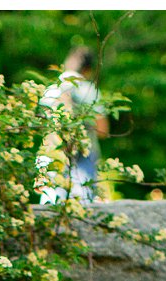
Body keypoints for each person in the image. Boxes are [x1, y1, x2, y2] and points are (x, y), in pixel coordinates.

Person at [38, 46, 109, 202]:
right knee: (83, 202)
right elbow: (102, 130)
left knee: (51, 202)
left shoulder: (52, 90)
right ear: (87, 70)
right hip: (84, 153)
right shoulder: (89, 91)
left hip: (55, 152)